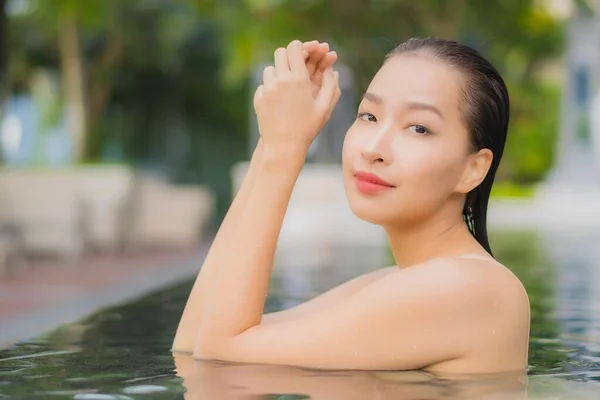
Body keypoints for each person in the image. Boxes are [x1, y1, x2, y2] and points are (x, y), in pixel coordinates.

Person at [172, 37, 531, 373]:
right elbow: (193, 345)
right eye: (369, 116)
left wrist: (285, 152)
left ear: (473, 169)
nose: (374, 147)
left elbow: (218, 369)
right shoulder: (396, 282)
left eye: (419, 128)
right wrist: (273, 140)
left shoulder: (467, 288)